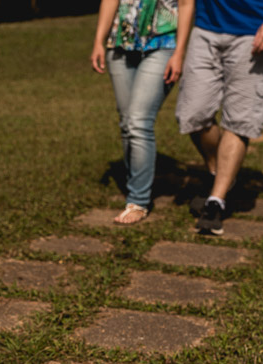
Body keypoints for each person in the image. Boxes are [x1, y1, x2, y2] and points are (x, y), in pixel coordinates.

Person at [176, 0, 263, 235]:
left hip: (255, 31)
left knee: (239, 120)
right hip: (206, 29)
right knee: (192, 114)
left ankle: (216, 201)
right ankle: (221, 174)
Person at [92, 0, 194, 225]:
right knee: (127, 122)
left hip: (163, 45)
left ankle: (138, 200)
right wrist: (99, 41)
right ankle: (135, 185)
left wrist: (180, 52)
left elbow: (187, 4)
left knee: (138, 122)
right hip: (120, 44)